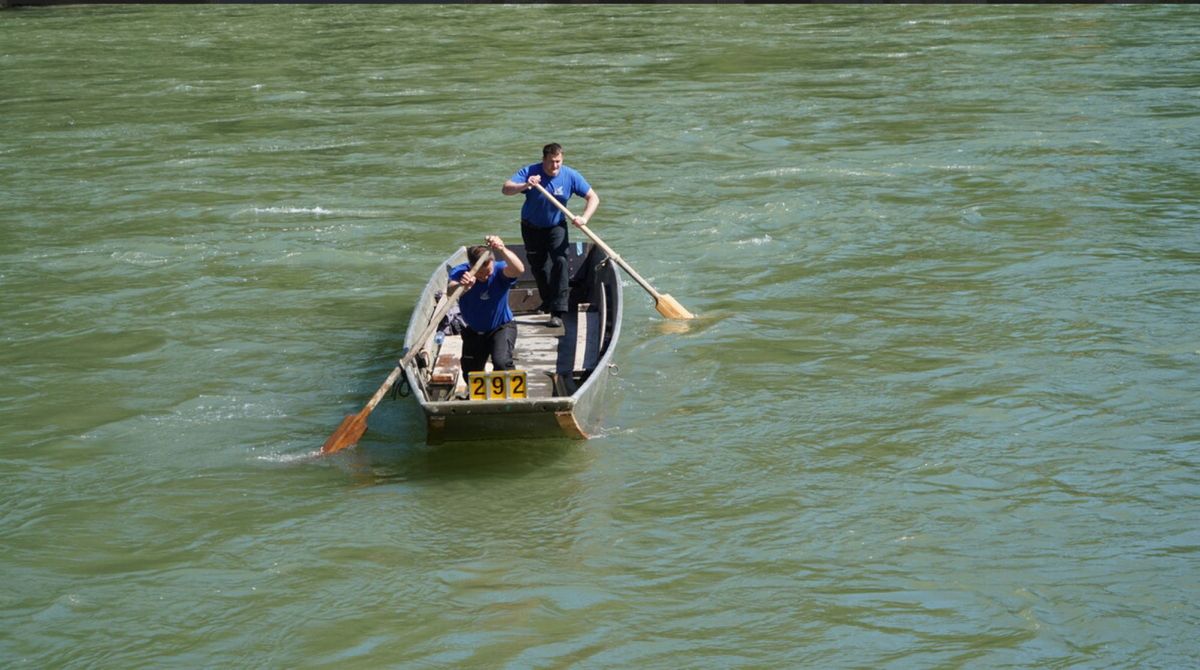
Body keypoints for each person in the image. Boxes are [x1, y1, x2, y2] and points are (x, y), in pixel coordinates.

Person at [502, 142, 600, 328]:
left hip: (556, 226)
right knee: (539, 267)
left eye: (558, 162)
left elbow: (593, 198)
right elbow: (506, 189)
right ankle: (547, 301)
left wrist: (584, 218)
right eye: (551, 162)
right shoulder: (531, 171)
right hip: (531, 227)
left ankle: (558, 311)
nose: (555, 166)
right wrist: (525, 185)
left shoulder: (570, 175)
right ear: (543, 160)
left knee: (561, 261)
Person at [446, 236, 526, 375]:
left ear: (493, 264)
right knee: (470, 371)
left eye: (488, 272)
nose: (485, 277)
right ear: (470, 266)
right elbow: (449, 291)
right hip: (474, 330)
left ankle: (507, 395)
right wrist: (462, 286)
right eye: (480, 273)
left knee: (502, 363)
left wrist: (502, 249)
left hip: (501, 327)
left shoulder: (500, 270)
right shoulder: (461, 273)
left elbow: (519, 270)